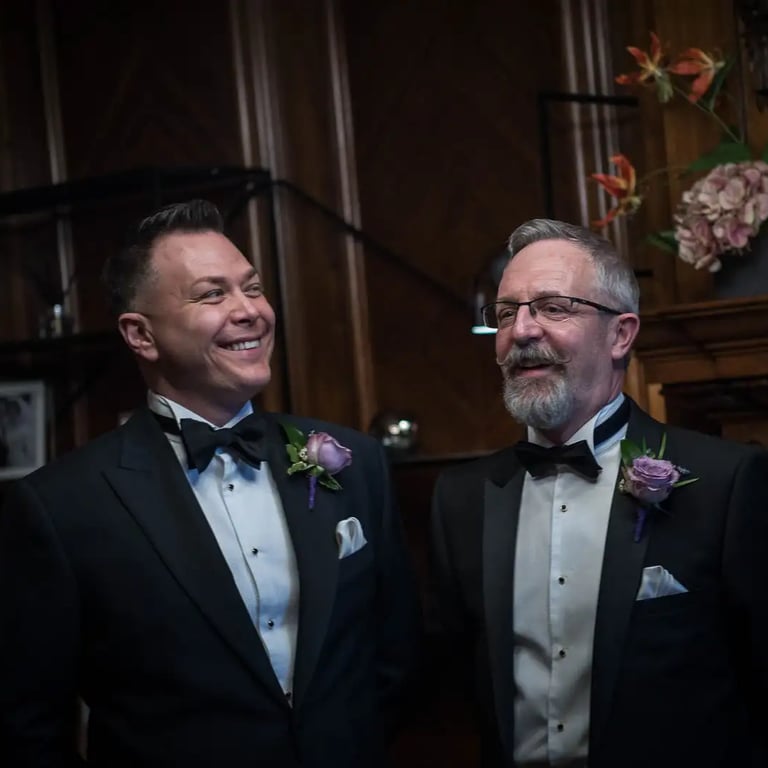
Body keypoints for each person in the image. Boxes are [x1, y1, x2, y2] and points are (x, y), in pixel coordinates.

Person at [0, 199, 420, 767]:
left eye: (253, 287)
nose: (249, 311)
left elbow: (395, 658)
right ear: (141, 335)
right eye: (212, 294)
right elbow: (29, 723)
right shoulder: (62, 507)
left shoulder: (353, 460)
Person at [429, 218, 768, 768]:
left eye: (553, 308)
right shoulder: (463, 499)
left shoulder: (725, 483)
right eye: (508, 312)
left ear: (621, 334)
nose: (523, 331)